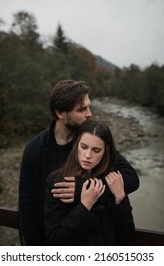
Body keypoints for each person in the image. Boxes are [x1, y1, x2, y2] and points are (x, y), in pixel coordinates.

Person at [19, 79, 139, 245]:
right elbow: (27, 210)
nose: (89, 113)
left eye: (89, 106)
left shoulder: (89, 140)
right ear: (60, 113)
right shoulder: (35, 149)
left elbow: (131, 178)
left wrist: (87, 188)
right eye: (82, 109)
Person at [45, 119, 135, 245]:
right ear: (76, 144)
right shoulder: (58, 182)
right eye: (84, 147)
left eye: (96, 150)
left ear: (106, 151)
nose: (87, 155)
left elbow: (127, 235)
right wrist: (84, 206)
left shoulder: (112, 180)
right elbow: (55, 242)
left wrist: (121, 199)